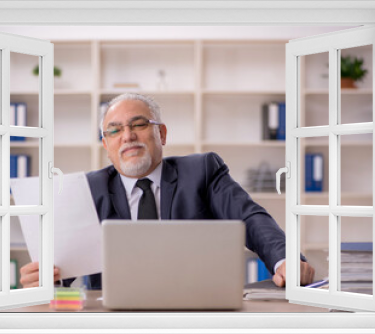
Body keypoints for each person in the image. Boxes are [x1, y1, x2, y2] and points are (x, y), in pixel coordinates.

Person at [20, 93, 315, 289]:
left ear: (161, 133)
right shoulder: (87, 190)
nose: (127, 136)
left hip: (197, 316)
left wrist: (284, 259)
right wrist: (46, 282)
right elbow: (63, 272)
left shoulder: (203, 170)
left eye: (138, 124)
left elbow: (250, 218)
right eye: (114, 130)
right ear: (106, 146)